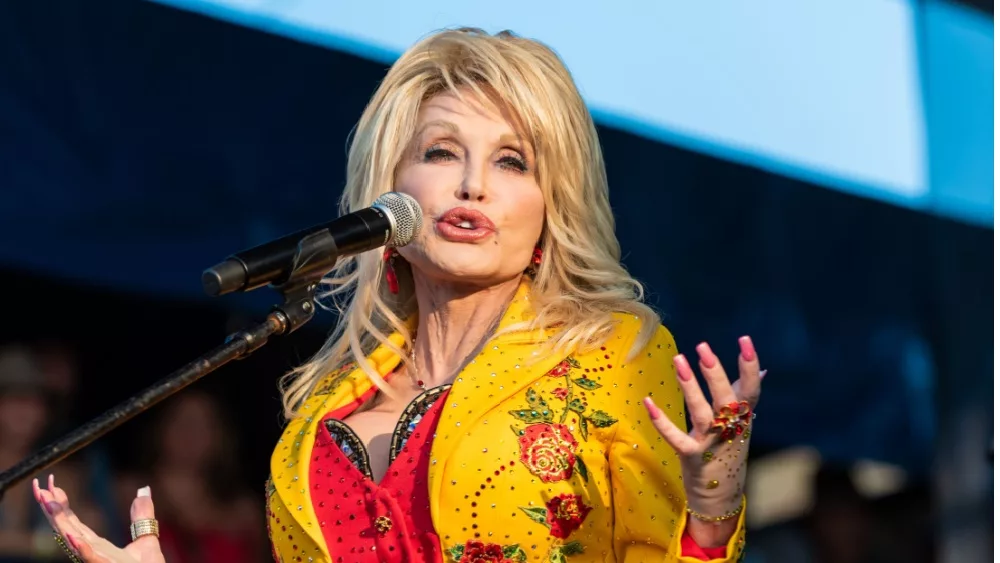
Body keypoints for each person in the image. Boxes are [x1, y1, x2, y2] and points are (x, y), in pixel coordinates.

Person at [33, 27, 764, 562]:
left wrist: (711, 510)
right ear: (391, 186)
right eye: (441, 152)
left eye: (512, 161)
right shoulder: (322, 409)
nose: (471, 183)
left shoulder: (612, 353)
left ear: (554, 205)